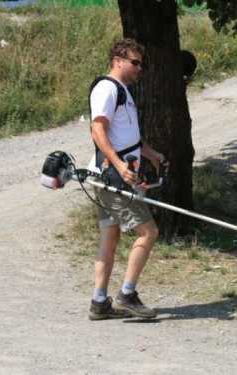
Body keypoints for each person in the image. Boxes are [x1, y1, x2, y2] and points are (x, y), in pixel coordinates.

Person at [87, 38, 167, 321]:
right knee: (149, 232)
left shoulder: (123, 92)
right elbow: (98, 130)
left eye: (141, 64)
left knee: (110, 236)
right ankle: (127, 296)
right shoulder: (108, 88)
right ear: (117, 60)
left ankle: (99, 303)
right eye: (135, 62)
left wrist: (151, 154)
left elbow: (129, 138)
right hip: (112, 176)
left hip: (111, 172)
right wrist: (121, 165)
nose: (139, 68)